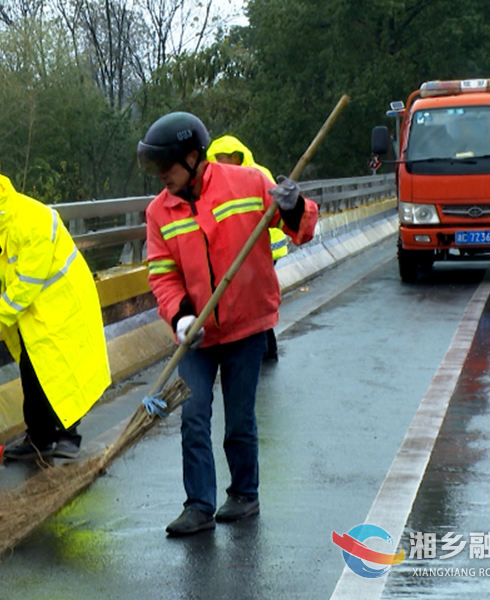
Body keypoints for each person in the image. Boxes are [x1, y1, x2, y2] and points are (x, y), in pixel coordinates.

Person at [138, 113, 318, 536]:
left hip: (245, 324)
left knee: (238, 418)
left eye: (166, 165)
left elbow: (301, 230)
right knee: (193, 415)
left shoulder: (248, 183)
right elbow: (162, 274)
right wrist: (181, 317)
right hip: (196, 334)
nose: (161, 176)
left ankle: (243, 495)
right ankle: (199, 506)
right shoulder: (159, 211)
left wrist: (294, 205)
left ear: (193, 157)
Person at [0, 171, 111, 460]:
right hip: (37, 305)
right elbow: (15, 261)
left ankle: (69, 435)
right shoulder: (1, 221)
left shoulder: (33, 220)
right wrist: (0, 268)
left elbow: (28, 281)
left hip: (61, 300)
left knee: (58, 368)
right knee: (30, 368)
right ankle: (39, 438)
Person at [207, 134, 288, 361]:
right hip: (251, 249)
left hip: (265, 247)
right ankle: (265, 349)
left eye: (221, 158)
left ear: (235, 156)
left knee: (254, 301)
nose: (217, 163)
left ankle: (264, 349)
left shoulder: (256, 174)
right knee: (253, 301)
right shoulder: (227, 178)